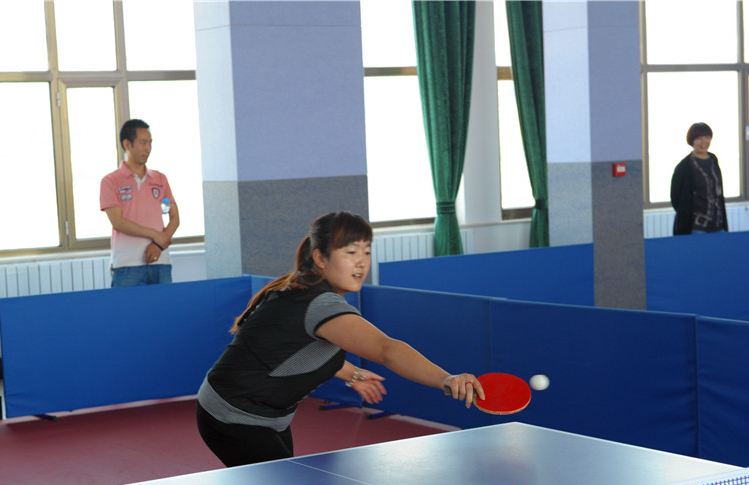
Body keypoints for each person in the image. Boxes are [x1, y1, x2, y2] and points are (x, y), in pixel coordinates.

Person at [196, 211, 484, 467]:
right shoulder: (320, 304)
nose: (361, 262)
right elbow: (387, 350)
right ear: (320, 258)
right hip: (233, 417)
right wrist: (446, 379)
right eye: (350, 252)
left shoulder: (299, 286)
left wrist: (351, 373)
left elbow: (288, 351)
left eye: (367, 251)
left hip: (257, 414)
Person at [100, 119, 180, 286]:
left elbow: (173, 216)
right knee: (126, 305)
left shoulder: (160, 179)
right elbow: (118, 222)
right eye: (143, 143)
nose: (148, 149)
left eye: (150, 143)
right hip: (127, 265)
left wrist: (159, 244)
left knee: (166, 304)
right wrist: (154, 234)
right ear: (127, 144)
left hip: (160, 262)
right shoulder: (111, 181)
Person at [670, 122, 728, 235]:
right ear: (692, 141)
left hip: (718, 224)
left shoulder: (713, 160)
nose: (703, 142)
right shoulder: (684, 166)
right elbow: (675, 198)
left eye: (707, 137)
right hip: (696, 226)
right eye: (699, 138)